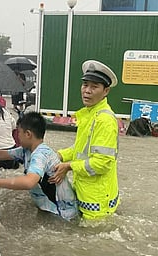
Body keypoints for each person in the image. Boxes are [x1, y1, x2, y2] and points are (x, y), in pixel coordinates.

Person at [50, 60, 120, 221]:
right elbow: (80, 149)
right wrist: (59, 155)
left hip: (97, 202)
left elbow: (102, 163)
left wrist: (68, 166)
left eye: (94, 87)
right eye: (85, 85)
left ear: (106, 91)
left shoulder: (104, 120)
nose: (87, 91)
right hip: (86, 192)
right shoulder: (89, 114)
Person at [0, 112, 78, 221]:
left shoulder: (40, 155)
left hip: (62, 215)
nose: (17, 137)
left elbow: (29, 182)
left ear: (28, 134)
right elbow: (2, 154)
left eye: (19, 132)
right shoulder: (27, 150)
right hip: (50, 208)